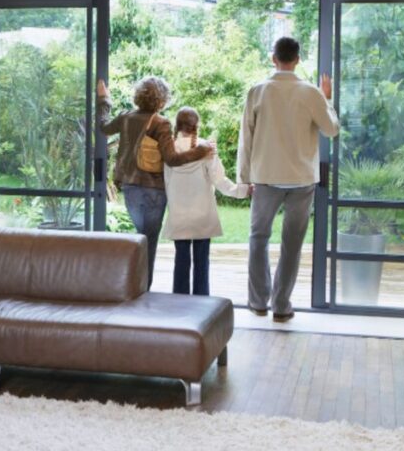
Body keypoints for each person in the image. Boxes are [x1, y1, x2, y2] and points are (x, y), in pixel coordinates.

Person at [238, 37, 340, 322]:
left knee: (258, 238)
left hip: (266, 177)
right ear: (298, 59)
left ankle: (258, 302)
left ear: (274, 58)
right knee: (291, 244)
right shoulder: (311, 93)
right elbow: (331, 130)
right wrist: (327, 99)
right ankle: (281, 306)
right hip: (301, 179)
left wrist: (245, 178)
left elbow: (246, 139)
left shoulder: (257, 91)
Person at [98, 77, 213, 288]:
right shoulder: (160, 123)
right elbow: (172, 159)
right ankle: (143, 289)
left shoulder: (125, 117)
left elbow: (104, 128)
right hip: (153, 190)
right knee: (148, 242)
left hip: (130, 187)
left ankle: (134, 285)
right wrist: (200, 151)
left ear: (139, 95)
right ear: (162, 99)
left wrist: (104, 100)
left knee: (141, 239)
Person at [162, 107, 251, 296]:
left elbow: (165, 181)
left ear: (177, 125)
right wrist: (242, 191)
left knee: (181, 260)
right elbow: (220, 181)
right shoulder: (206, 149)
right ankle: (201, 302)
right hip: (202, 214)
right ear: (197, 126)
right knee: (202, 262)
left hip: (179, 215)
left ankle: (179, 301)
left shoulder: (168, 150)